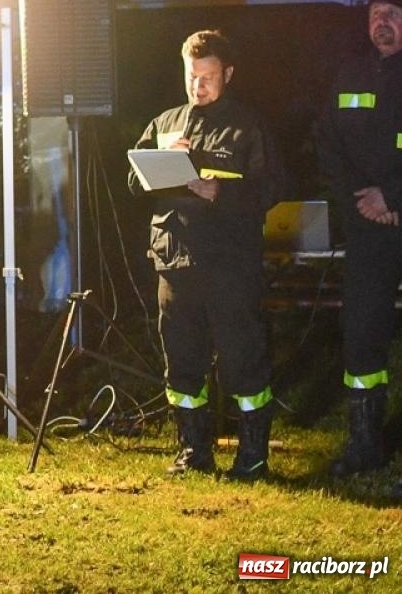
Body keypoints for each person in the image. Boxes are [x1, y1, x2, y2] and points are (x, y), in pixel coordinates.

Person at [128, 30, 285, 479]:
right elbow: (133, 181)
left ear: (228, 74)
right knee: (182, 361)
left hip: (230, 262)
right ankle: (193, 452)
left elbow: (272, 187)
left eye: (208, 77)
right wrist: (160, 159)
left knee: (242, 358)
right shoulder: (167, 122)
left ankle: (252, 457)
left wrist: (220, 191)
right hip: (175, 261)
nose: (198, 86)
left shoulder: (247, 126)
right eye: (192, 76)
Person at [315, 0, 402, 478]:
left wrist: (393, 196)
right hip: (368, 228)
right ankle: (365, 445)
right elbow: (328, 147)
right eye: (375, 13)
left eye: (392, 12)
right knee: (363, 333)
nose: (381, 21)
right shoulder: (347, 74)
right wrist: (365, 202)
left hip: (395, 208)